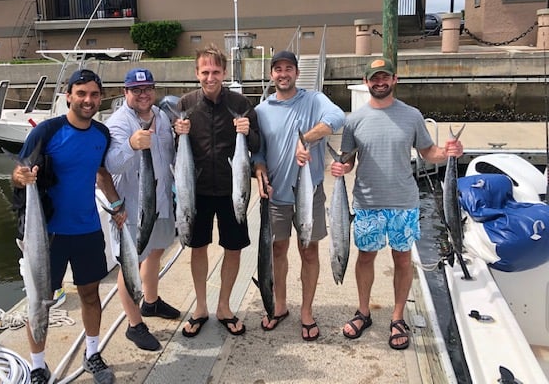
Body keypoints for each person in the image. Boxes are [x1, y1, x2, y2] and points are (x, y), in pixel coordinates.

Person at [330, 57, 463, 350]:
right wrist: (341, 168)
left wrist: (450, 152)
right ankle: (363, 312)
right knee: (365, 257)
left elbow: (428, 152)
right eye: (374, 78)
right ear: (367, 82)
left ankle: (398, 317)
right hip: (367, 202)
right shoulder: (354, 120)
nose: (379, 82)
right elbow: (348, 160)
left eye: (385, 77)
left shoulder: (412, 116)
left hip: (404, 202)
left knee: (402, 259)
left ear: (394, 79)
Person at [12, 69, 122, 384]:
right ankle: (36, 366)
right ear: (68, 96)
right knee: (41, 300)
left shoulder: (101, 134)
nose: (88, 100)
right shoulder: (46, 132)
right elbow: (17, 172)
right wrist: (23, 177)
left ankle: (92, 354)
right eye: (81, 94)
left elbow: (101, 174)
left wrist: (117, 207)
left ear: (100, 98)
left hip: (87, 229)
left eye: (94, 94)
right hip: (47, 235)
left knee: (90, 294)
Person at [253, 50, 345, 341]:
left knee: (309, 250)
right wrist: (258, 169)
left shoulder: (314, 99)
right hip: (276, 194)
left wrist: (307, 138)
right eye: (277, 69)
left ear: (296, 72)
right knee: (277, 251)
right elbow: (257, 150)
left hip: (311, 193)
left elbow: (338, 117)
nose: (283, 74)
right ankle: (279, 306)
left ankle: (306, 311)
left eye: (288, 68)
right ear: (271, 75)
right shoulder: (261, 109)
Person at [173, 43, 260, 338]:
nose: (210, 77)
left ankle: (224, 307)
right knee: (198, 248)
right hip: (194, 191)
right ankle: (200, 307)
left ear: (224, 72)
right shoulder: (185, 104)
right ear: (197, 73)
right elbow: (173, 152)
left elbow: (258, 146)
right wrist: (177, 135)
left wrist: (248, 132)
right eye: (205, 72)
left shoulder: (240, 103)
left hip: (232, 190)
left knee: (233, 248)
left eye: (216, 72)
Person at [104, 68, 180, 352]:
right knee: (130, 264)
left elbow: (169, 157)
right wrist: (131, 145)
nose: (143, 94)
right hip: (133, 210)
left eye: (147, 88)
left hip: (160, 202)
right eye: (136, 90)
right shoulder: (118, 123)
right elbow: (110, 165)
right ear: (126, 93)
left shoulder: (161, 116)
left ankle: (151, 302)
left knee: (157, 250)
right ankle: (134, 325)